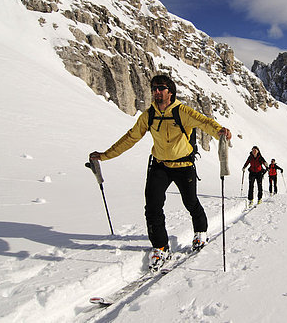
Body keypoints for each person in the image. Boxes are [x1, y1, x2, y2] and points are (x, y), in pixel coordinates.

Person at [90, 74, 232, 270]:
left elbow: (205, 122)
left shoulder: (182, 112)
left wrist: (220, 131)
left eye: (161, 88)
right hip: (160, 165)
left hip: (184, 166)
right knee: (153, 206)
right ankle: (161, 246)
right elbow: (130, 138)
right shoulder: (149, 115)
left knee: (190, 202)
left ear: (170, 91)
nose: (156, 92)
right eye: (154, 88)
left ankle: (200, 232)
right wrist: (105, 155)